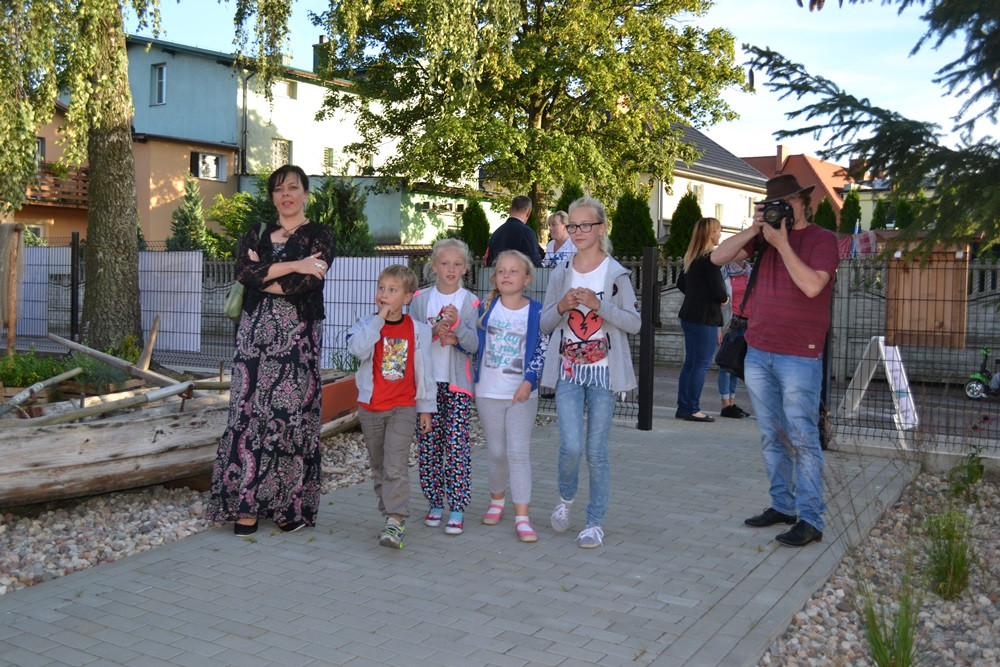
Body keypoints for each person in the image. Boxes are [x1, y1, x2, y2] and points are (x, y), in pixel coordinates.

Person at [711, 174, 839, 548]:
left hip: (800, 354)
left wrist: (782, 243)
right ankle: (782, 505)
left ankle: (811, 518)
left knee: (802, 438)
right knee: (771, 435)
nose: (780, 208)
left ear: (803, 201)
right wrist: (755, 228)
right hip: (759, 351)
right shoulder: (762, 239)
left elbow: (813, 285)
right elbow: (716, 257)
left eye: (786, 202)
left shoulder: (822, 239)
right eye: (773, 203)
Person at [207, 164, 336, 536]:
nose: (286, 195)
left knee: (287, 416)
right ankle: (245, 507)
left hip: (298, 338)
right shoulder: (258, 231)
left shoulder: (320, 235)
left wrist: (264, 273)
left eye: (293, 188)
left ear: (305, 193)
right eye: (279, 189)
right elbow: (244, 273)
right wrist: (293, 263)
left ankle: (284, 507)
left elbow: (305, 285)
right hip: (254, 337)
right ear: (272, 197)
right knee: (248, 415)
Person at [541, 197, 641, 548]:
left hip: (604, 375)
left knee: (596, 451)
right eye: (573, 226)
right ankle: (566, 498)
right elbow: (544, 323)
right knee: (570, 446)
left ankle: (594, 522)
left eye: (586, 225)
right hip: (568, 372)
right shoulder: (559, 272)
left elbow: (634, 323)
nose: (578, 232)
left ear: (601, 228)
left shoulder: (616, 275)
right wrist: (561, 306)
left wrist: (601, 305)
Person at [347, 264, 437, 549]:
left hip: (403, 407)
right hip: (371, 406)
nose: (384, 295)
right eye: (381, 288)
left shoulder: (419, 331)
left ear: (407, 297)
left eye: (392, 290)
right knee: (379, 466)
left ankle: (395, 520)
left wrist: (425, 408)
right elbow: (357, 350)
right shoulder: (366, 324)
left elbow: (425, 373)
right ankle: (388, 513)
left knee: (395, 465)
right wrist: (378, 321)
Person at [475, 250, 548, 543]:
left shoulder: (537, 311)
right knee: (496, 452)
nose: (506, 275)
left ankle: (522, 517)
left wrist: (529, 382)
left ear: (527, 278)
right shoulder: (484, 307)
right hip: (488, 393)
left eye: (514, 271)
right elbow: (471, 342)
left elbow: (541, 350)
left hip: (521, 395)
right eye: (501, 271)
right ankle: (496, 501)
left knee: (517, 453)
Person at [409, 239, 479, 536]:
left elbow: (474, 344)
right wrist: (433, 332)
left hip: (457, 386)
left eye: (457, 264)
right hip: (426, 386)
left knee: (457, 445)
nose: (451, 269)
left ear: (465, 268)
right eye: (445, 263)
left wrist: (457, 331)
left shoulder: (471, 301)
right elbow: (410, 340)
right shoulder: (420, 299)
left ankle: (458, 507)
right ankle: (435, 502)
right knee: (429, 446)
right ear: (434, 266)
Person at [676, 217, 728, 423]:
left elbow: (681, 284)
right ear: (709, 234)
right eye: (718, 231)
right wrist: (725, 299)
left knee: (691, 363)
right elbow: (719, 292)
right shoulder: (711, 259)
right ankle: (692, 409)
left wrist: (697, 295)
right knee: (701, 364)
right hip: (704, 318)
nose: (720, 234)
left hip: (689, 315)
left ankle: (684, 407)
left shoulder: (692, 257)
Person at [718, 260, 753, 419]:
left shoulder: (751, 272)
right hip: (730, 323)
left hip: (747, 323)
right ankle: (725, 404)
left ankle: (732, 403)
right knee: (725, 364)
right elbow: (717, 301)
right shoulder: (724, 271)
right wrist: (718, 327)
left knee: (736, 365)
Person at [485, 195, 543, 267]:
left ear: (510, 210)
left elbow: (489, 261)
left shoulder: (496, 233)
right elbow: (534, 262)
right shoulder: (527, 233)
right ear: (528, 212)